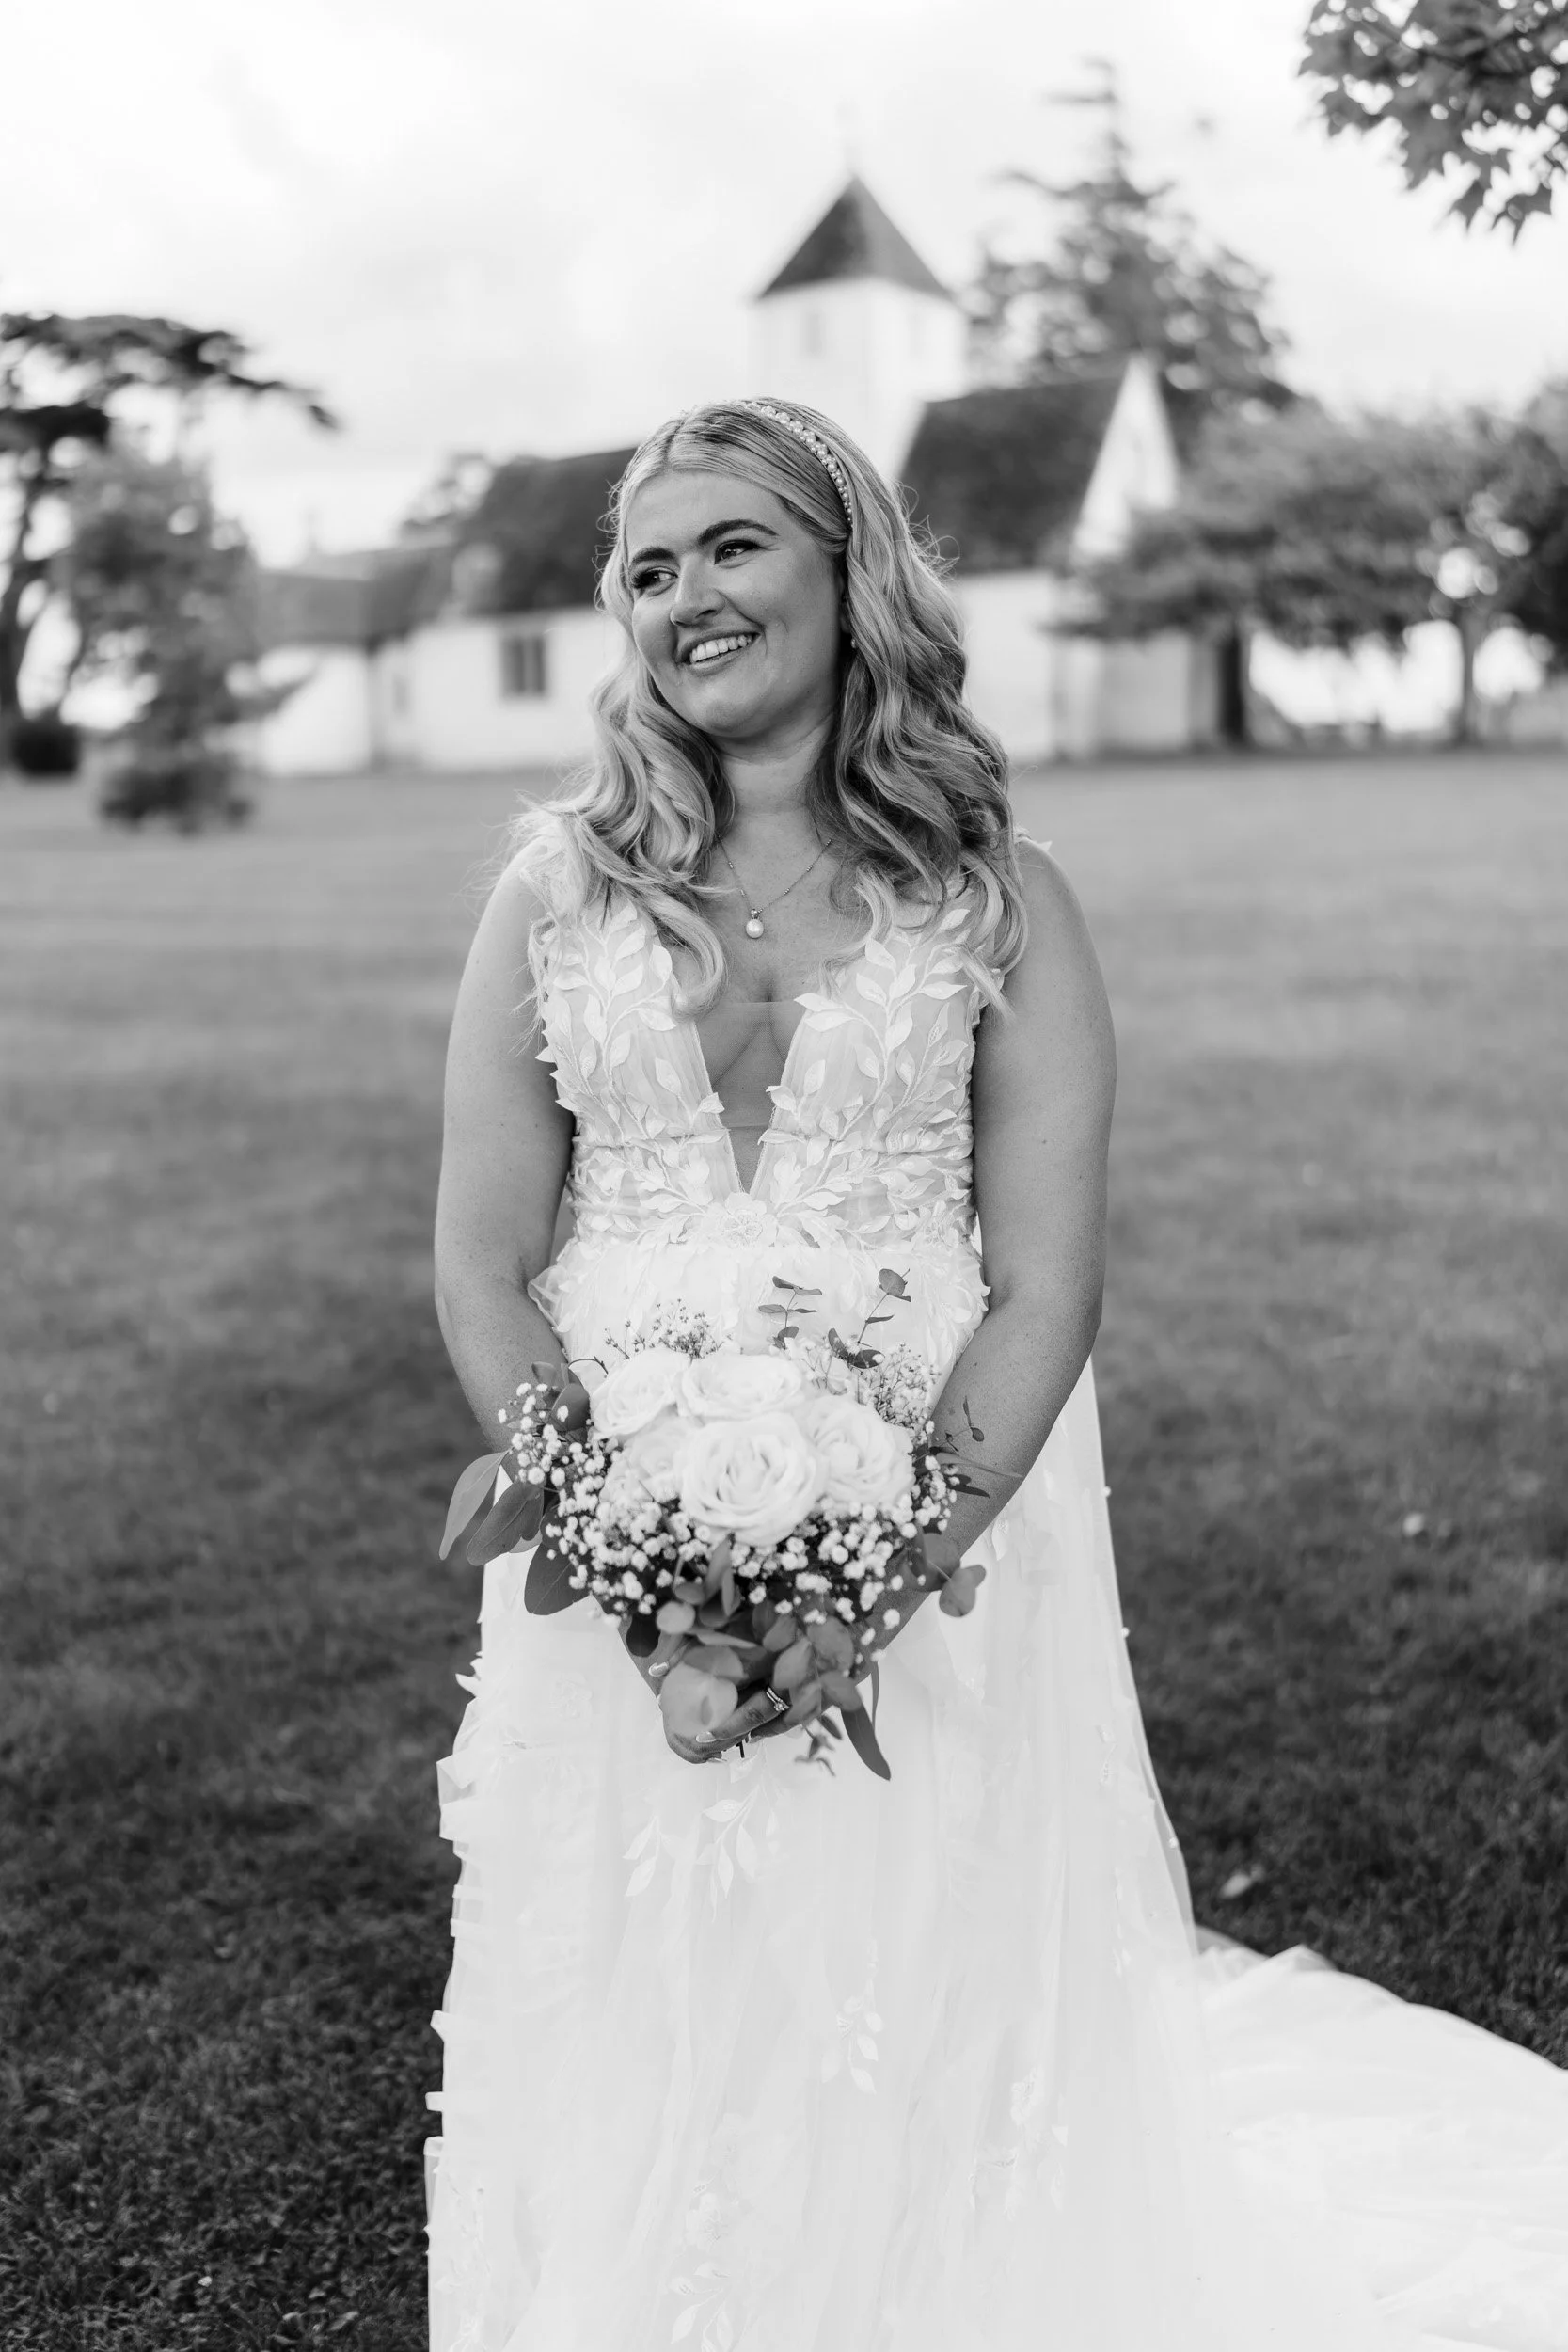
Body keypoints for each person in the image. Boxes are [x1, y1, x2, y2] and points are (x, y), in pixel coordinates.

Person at [426, 397, 1568, 2352]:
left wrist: (879, 1558)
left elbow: (1043, 1277)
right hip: (611, 1530)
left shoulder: (1000, 899)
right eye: (646, 568)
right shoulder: (555, 889)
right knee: (636, 1961)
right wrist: (613, 1533)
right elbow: (477, 1248)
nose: (683, 597)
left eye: (730, 545)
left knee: (908, 1957)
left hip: (937, 1528)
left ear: (843, 559)